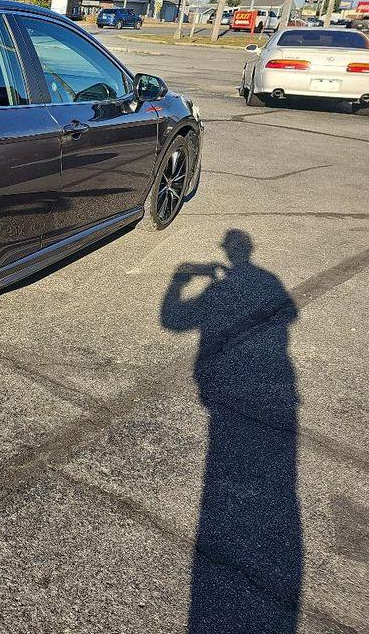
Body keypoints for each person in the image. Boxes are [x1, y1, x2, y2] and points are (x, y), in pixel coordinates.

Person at [162, 229, 303, 634]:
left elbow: (173, 321)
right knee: (277, 487)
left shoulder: (225, 287)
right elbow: (289, 313)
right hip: (279, 388)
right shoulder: (266, 279)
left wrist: (180, 281)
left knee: (231, 483)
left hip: (231, 395)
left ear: (229, 252)